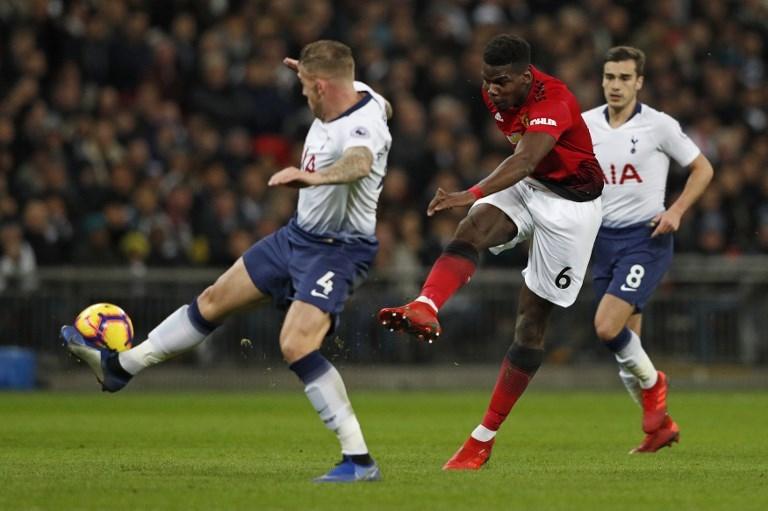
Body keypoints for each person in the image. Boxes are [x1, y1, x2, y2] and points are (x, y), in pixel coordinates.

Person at [61, 40, 392, 483]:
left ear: (321, 85)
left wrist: (313, 177)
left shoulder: (358, 131)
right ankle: (120, 367)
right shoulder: (363, 93)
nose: (302, 96)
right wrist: (310, 73)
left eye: (306, 88)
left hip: (340, 250)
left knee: (295, 344)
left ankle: (359, 461)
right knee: (213, 300)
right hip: (296, 237)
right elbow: (382, 106)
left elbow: (359, 162)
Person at [378, 34, 604, 470]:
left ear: (526, 75)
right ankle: (426, 304)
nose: (493, 90)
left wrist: (472, 190)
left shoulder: (554, 99)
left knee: (530, 324)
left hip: (573, 207)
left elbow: (523, 159)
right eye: (487, 81)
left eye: (501, 81)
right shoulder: (494, 92)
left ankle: (483, 439)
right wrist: (479, 201)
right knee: (474, 225)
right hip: (533, 185)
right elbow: (524, 167)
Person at [582, 46, 713, 453]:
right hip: (601, 241)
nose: (615, 86)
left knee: (606, 327)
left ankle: (657, 384)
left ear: (639, 81)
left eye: (624, 78)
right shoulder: (585, 125)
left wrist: (676, 210)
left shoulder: (659, 126)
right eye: (609, 77)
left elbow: (702, 168)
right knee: (627, 357)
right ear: (601, 80)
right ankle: (661, 429)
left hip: (645, 239)